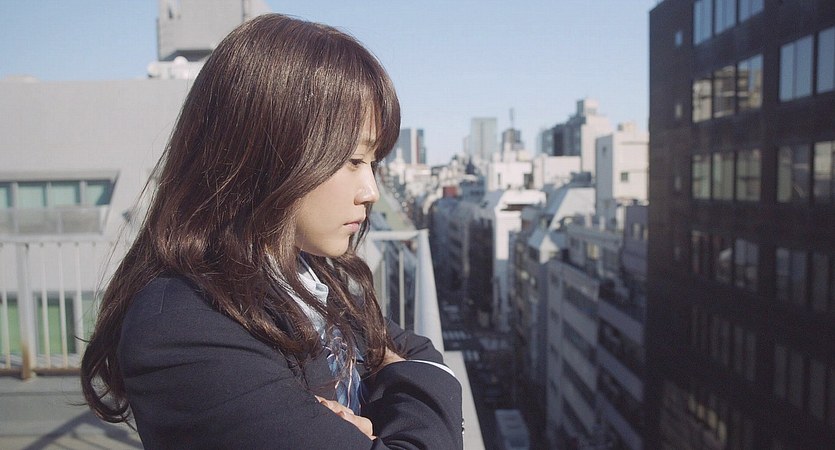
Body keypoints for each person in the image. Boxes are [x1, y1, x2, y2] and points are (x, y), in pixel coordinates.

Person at [80, 13, 463, 449]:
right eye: (353, 161)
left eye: (373, 164)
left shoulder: (305, 270)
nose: (370, 191)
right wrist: (396, 390)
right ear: (269, 153)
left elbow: (416, 351)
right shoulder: (187, 326)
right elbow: (407, 361)